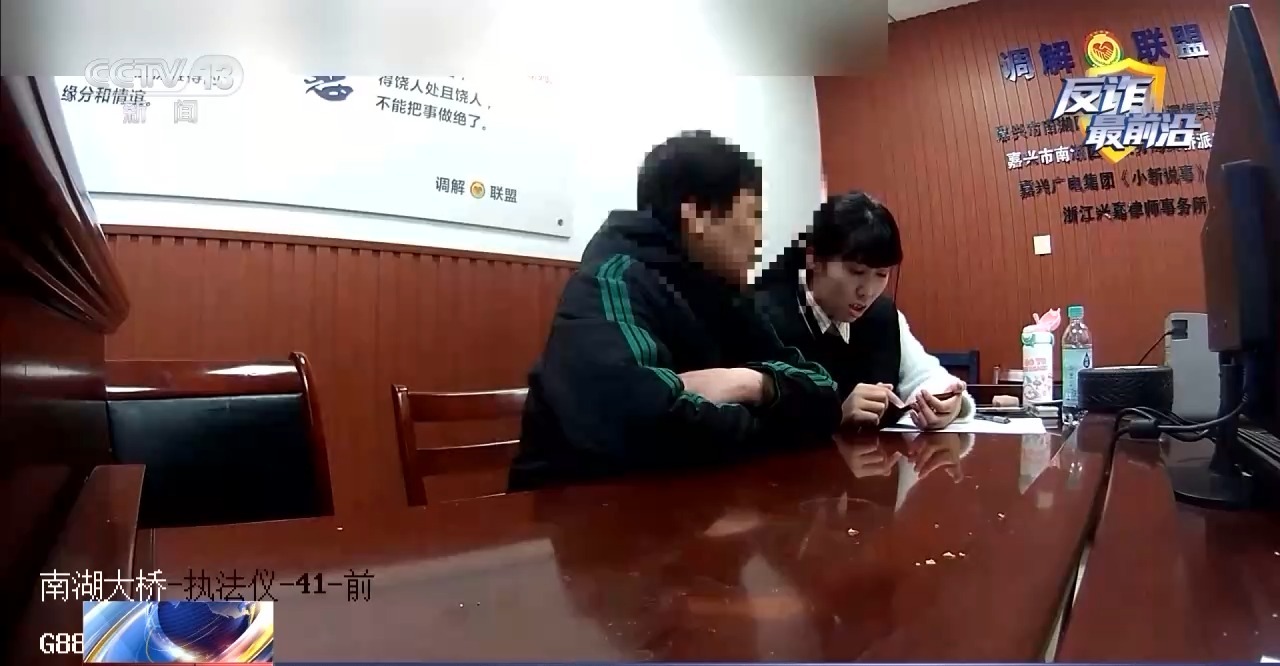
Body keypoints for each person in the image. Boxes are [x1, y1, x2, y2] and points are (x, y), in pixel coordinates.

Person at [509, 131, 843, 491]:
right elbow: (642, 421)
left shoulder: (728, 295)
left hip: (695, 504)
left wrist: (748, 383)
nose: (761, 237)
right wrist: (781, 420)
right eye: (754, 215)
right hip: (580, 510)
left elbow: (826, 394)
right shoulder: (610, 280)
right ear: (697, 215)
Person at [754, 190, 975, 430]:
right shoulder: (762, 315)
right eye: (856, 272)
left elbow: (927, 376)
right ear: (813, 259)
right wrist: (833, 416)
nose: (867, 292)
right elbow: (748, 418)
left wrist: (949, 403)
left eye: (881, 274)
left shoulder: (882, 315)